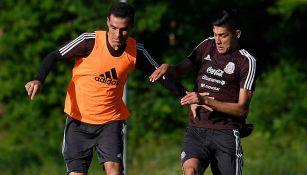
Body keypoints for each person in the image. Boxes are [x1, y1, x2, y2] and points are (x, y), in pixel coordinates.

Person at [25, 2, 185, 175]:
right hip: (78, 120)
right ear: (107, 22)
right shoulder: (89, 41)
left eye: (123, 29)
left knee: (114, 171)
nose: (117, 34)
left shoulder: (135, 51)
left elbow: (160, 75)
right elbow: (54, 55)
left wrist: (186, 95)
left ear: (131, 26)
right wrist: (38, 79)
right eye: (113, 27)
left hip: (110, 122)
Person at [150, 8, 257, 175]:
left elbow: (242, 109)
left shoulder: (246, 61)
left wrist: (205, 100)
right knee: (190, 171)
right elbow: (178, 71)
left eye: (223, 35)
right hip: (196, 130)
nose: (218, 41)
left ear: (237, 34)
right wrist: (167, 68)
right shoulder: (207, 45)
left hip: (226, 133)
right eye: (215, 34)